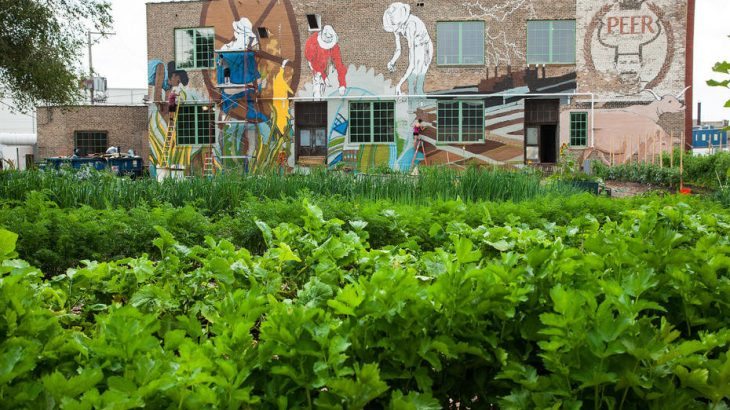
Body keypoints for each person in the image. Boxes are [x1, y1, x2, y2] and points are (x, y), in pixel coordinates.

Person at [304, 25, 347, 98]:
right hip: (313, 61)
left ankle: (322, 89)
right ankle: (317, 95)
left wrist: (342, 84)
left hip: (324, 62)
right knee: (317, 79)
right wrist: (324, 76)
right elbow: (314, 63)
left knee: (325, 79)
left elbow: (339, 64)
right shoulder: (312, 43)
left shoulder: (334, 44)